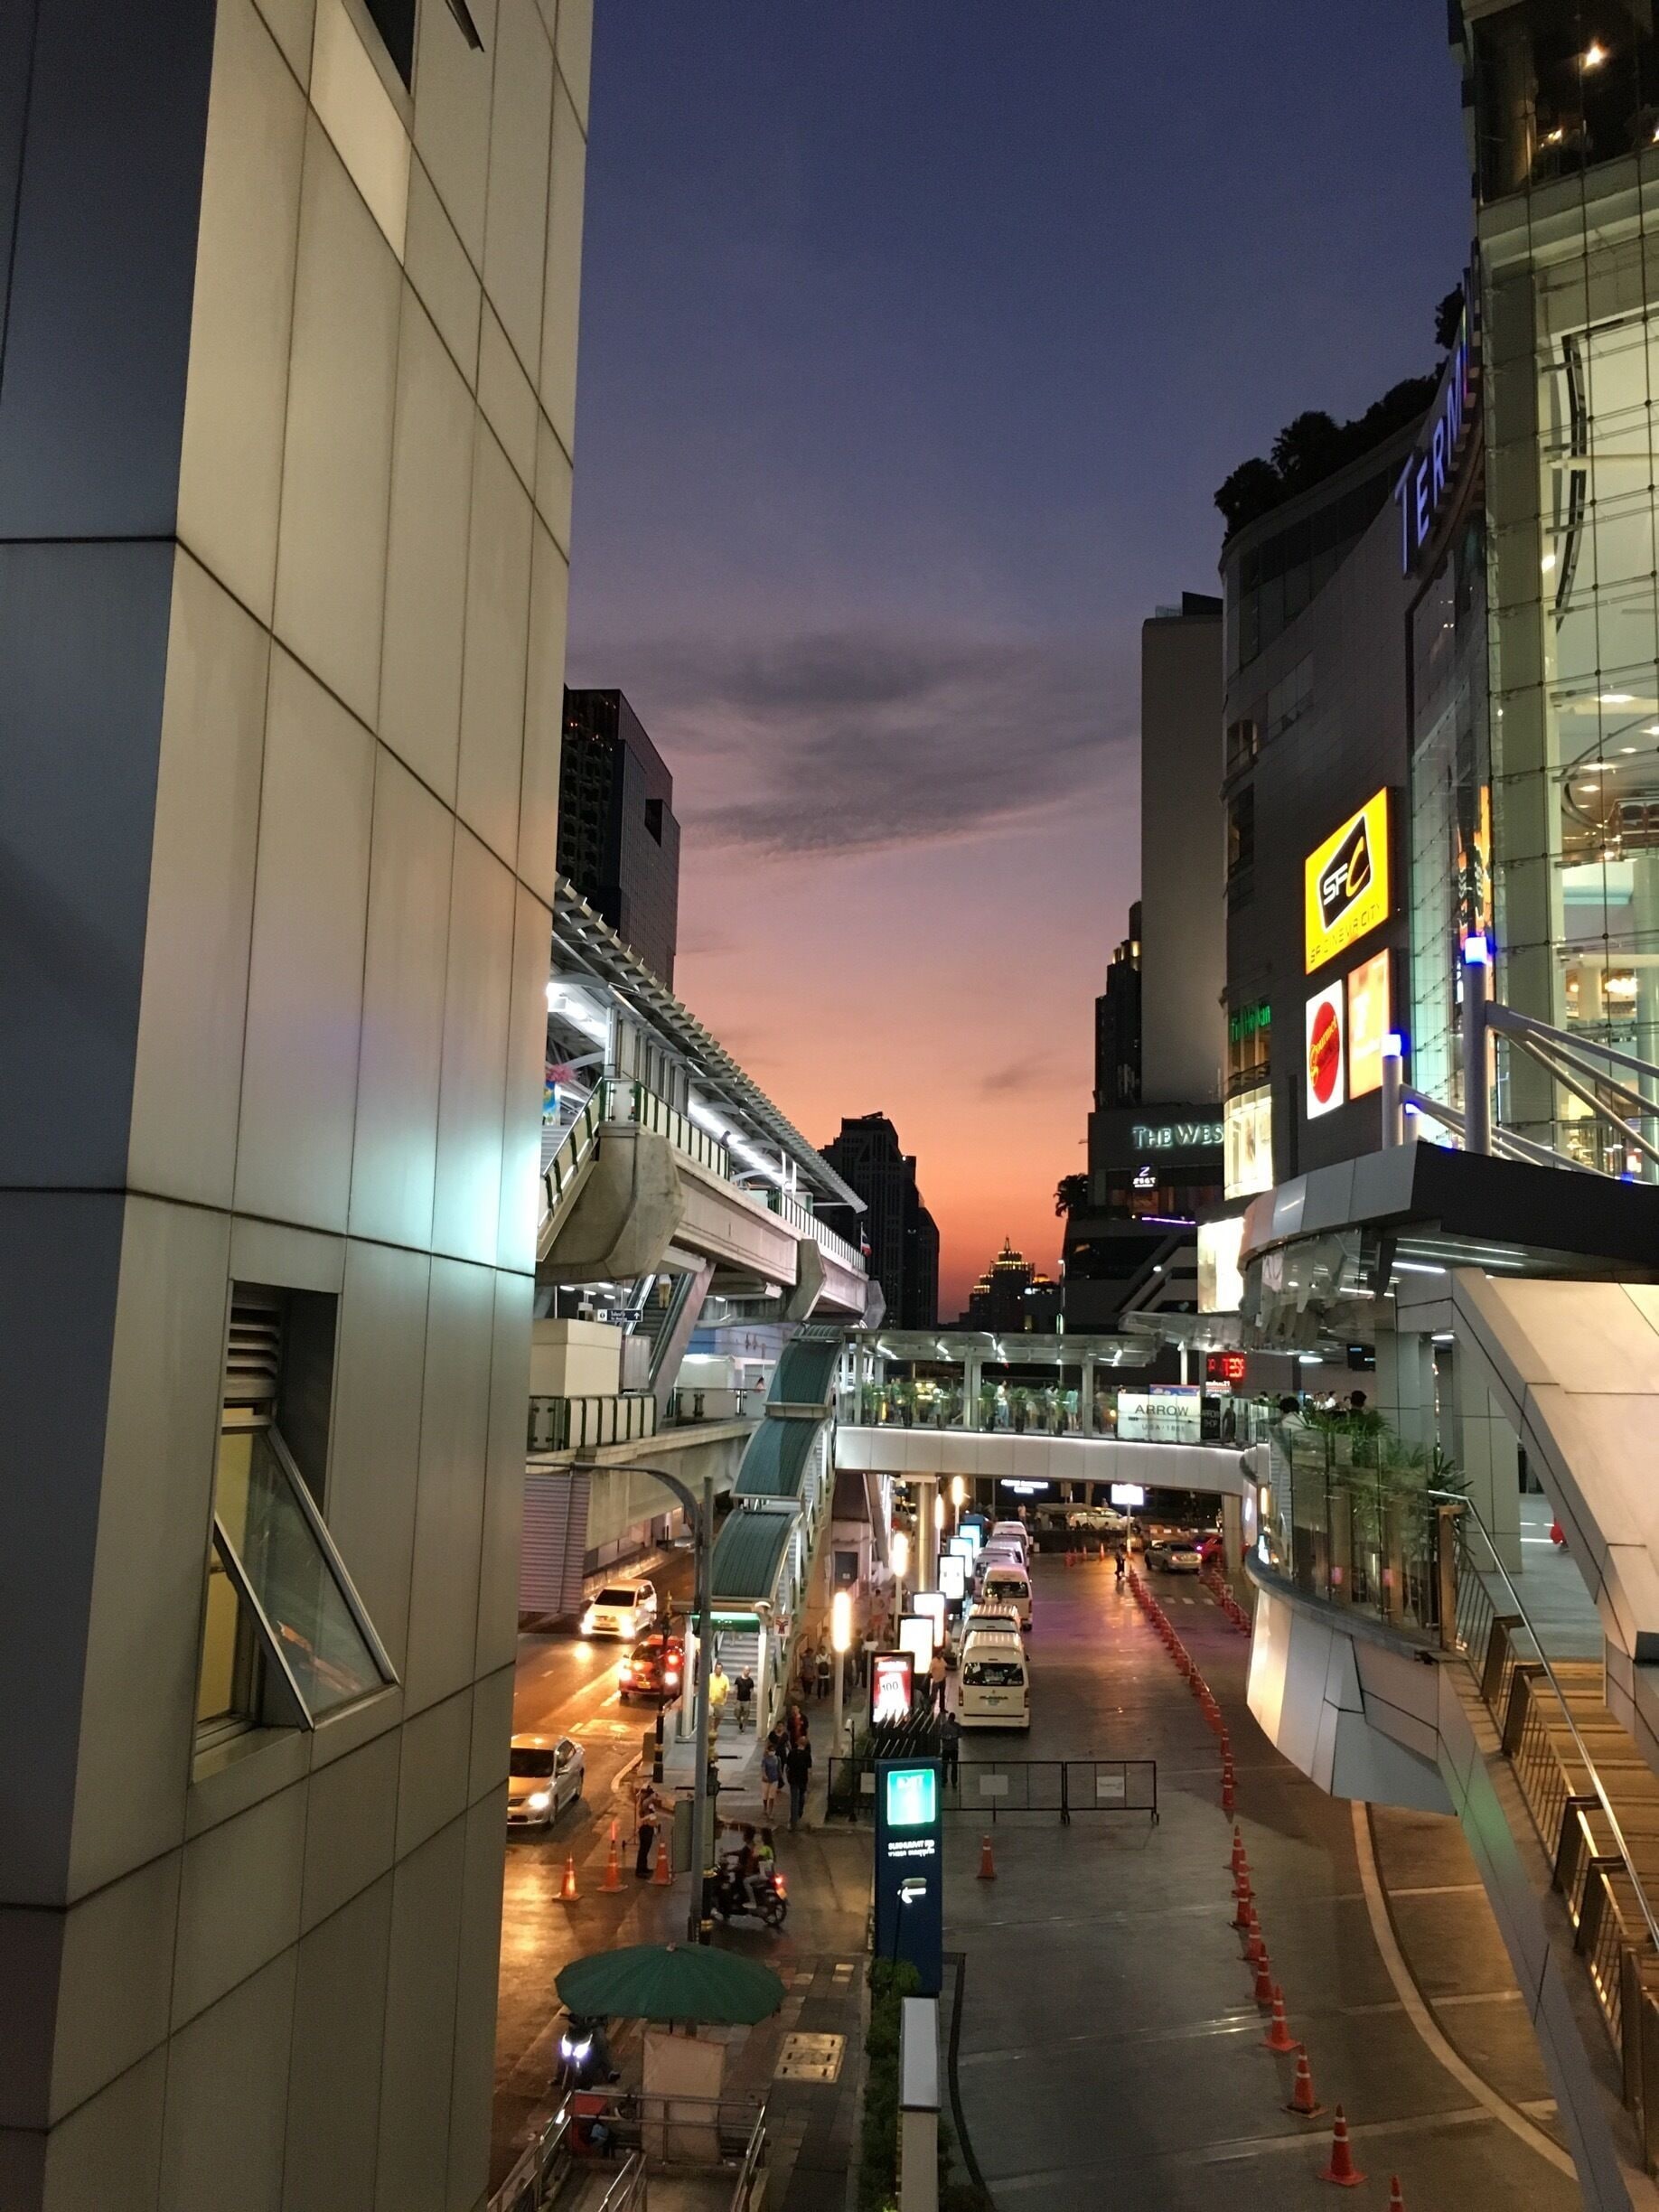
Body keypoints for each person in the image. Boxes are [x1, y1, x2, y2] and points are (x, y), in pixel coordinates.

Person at [784, 1731, 813, 1830]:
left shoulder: (792, 1753)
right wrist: (809, 1781)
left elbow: (787, 1767)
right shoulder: (807, 1755)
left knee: (794, 1800)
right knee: (801, 1797)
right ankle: (799, 1814)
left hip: (793, 1779)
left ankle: (793, 1821)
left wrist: (788, 1777)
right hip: (802, 1779)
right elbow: (809, 1770)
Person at [634, 1781, 661, 1879]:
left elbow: (652, 1814)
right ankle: (640, 1870)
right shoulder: (644, 1802)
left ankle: (644, 1868)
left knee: (646, 1850)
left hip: (649, 1827)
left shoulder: (648, 1802)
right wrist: (651, 1797)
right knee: (643, 1850)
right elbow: (644, 1809)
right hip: (645, 1827)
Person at [761, 1734, 783, 1820]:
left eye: (773, 1750)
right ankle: (765, 1807)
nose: (772, 1752)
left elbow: (779, 1769)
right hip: (766, 1780)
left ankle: (770, 1811)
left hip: (774, 1779)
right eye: (771, 1750)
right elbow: (763, 1768)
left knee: (772, 1796)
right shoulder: (765, 1759)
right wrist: (765, 1776)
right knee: (765, 1796)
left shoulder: (777, 1759)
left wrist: (780, 1777)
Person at [941, 1709, 961, 1787]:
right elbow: (940, 1735)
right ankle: (949, 1780)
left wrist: (952, 1737)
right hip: (951, 1748)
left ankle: (948, 1780)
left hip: (949, 1748)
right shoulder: (954, 1726)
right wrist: (947, 1737)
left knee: (949, 1766)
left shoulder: (946, 1725)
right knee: (948, 1766)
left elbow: (960, 1734)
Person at [708, 1658, 729, 1727]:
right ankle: (710, 1728)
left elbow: (727, 1689)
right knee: (709, 1714)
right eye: (717, 1668)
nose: (718, 1670)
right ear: (715, 1669)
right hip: (710, 1701)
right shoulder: (710, 1676)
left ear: (722, 1670)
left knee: (719, 1716)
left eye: (720, 1668)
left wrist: (725, 1698)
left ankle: (715, 1728)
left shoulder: (725, 1678)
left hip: (720, 1702)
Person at [926, 1646, 947, 1715]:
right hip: (936, 1680)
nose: (941, 1654)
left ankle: (942, 1708)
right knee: (934, 1696)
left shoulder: (942, 1660)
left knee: (942, 1695)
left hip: (942, 1679)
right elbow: (930, 1670)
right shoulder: (934, 1661)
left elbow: (945, 1666)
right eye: (940, 1653)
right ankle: (930, 1708)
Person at [734, 1665, 755, 1731]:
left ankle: (743, 1728)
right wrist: (735, 1698)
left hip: (747, 1700)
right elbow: (735, 1689)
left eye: (748, 1670)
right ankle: (740, 1722)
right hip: (739, 1699)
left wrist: (751, 1699)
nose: (747, 1672)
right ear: (743, 1670)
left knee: (746, 1715)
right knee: (737, 1713)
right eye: (746, 1670)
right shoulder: (738, 1679)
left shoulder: (751, 1681)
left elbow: (752, 1690)